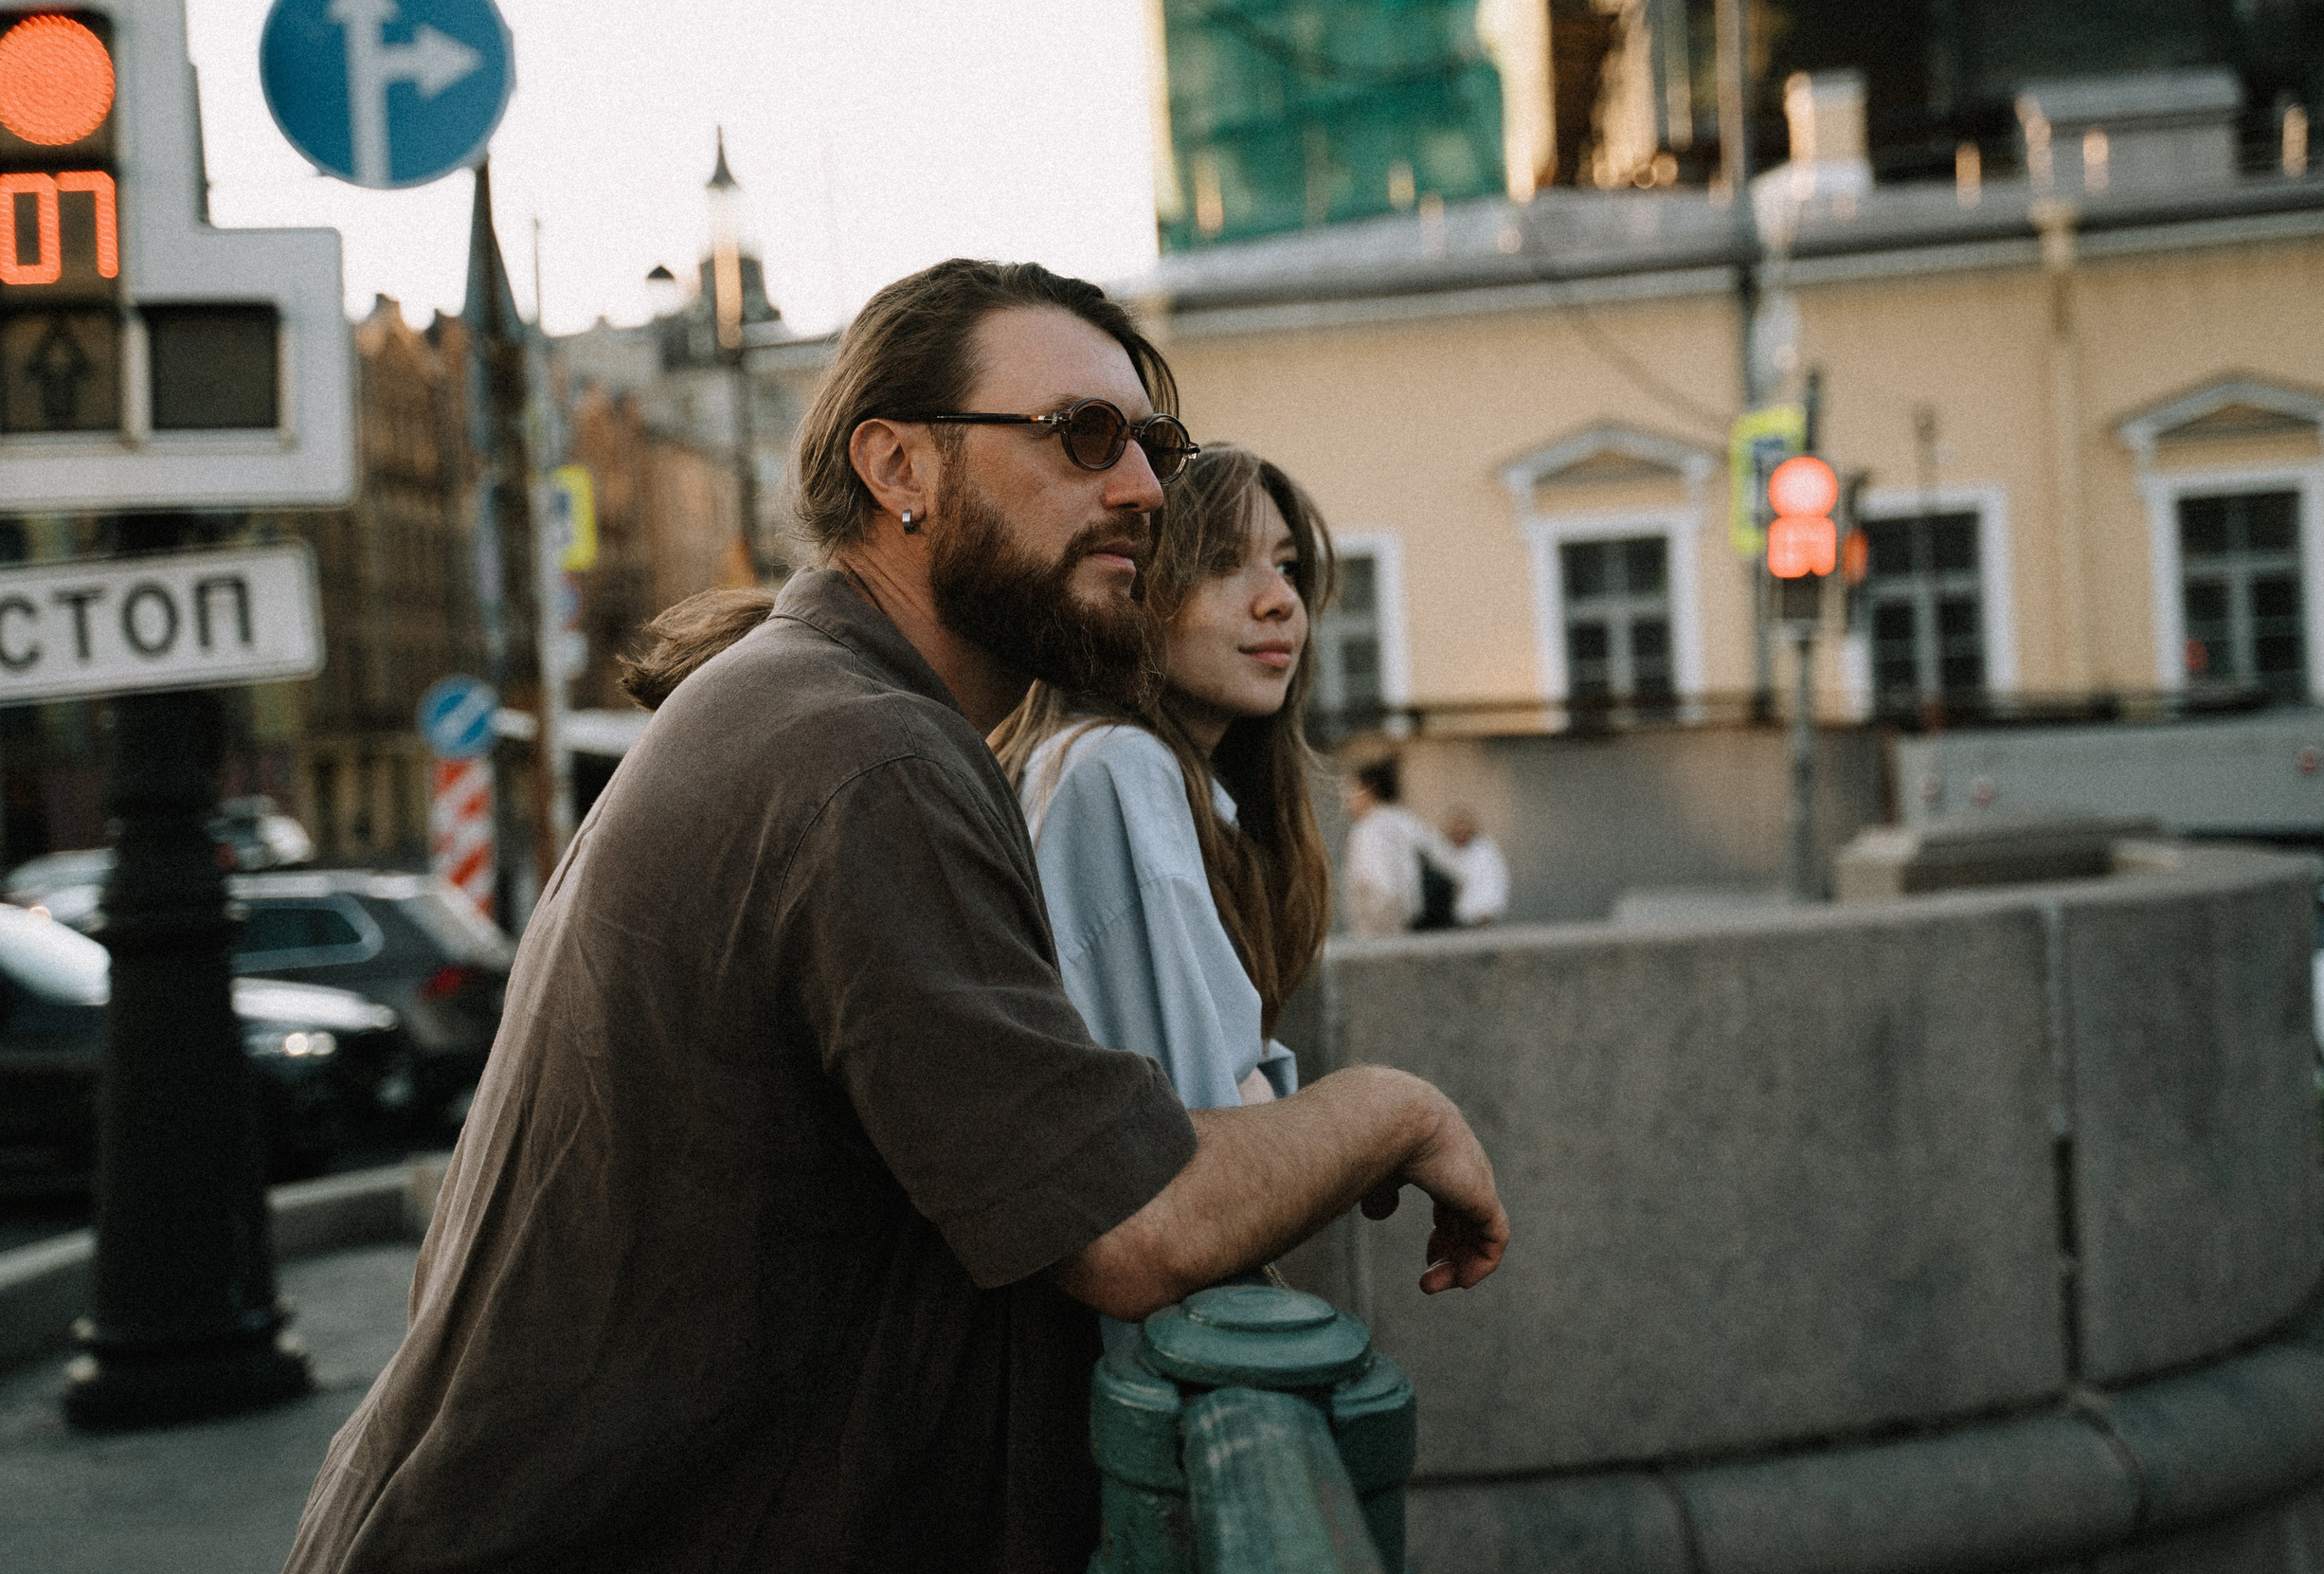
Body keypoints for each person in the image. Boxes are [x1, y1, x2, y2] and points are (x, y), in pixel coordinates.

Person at [284, 259, 1505, 1574]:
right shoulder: (865, 760)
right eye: (1082, 437)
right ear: (899, 469)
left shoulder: (807, 707)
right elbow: (1139, 1223)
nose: (1146, 491)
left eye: (1154, 445)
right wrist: (1400, 1104)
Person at [994, 444, 1331, 1120]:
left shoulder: (1141, 775)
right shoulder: (1115, 770)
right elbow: (1202, 1141)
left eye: (1287, 566)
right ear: (1132, 589)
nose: (1281, 601)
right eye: (1223, 563)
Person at [1342, 757, 1459, 935]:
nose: (1347, 798)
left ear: (1367, 791)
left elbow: (1376, 884)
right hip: (1412, 927)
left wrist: (1380, 928)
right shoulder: (1405, 820)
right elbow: (1451, 860)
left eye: (1352, 789)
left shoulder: (1368, 829)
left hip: (1379, 934)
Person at [1443, 806, 1510, 927]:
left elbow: (1499, 881)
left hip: (1482, 918)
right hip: (1451, 921)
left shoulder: (1485, 850)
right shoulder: (1443, 851)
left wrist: (1490, 909)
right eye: (1457, 828)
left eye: (1464, 828)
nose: (1461, 832)